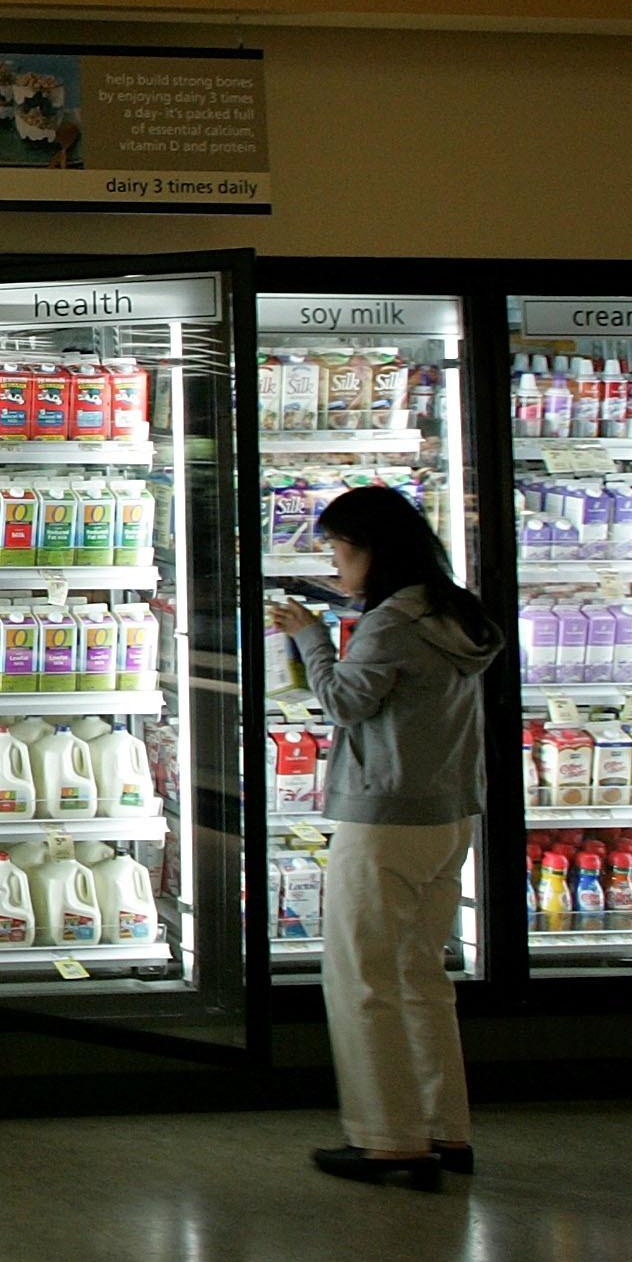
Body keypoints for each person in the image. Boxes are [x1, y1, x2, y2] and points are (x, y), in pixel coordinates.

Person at [266, 484, 497, 1190]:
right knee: (423, 976)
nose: (335, 565)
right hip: (449, 813)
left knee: (361, 979)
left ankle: (387, 1141)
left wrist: (308, 634)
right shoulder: (452, 610)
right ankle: (443, 1128)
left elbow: (342, 702)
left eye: (339, 550)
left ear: (372, 550)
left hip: (385, 817)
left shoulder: (392, 623)